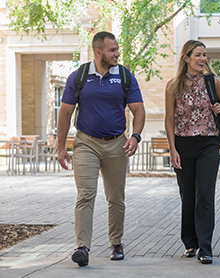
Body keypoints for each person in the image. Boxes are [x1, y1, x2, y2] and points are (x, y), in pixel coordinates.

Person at [57, 31, 145, 267]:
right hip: (86, 142)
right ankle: (82, 247)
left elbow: (138, 109)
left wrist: (135, 136)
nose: (117, 54)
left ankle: (116, 243)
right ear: (98, 52)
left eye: (117, 49)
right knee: (85, 195)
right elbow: (65, 113)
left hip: (117, 143)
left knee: (116, 198)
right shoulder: (79, 76)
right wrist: (60, 147)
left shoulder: (125, 76)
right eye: (112, 50)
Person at [164, 40, 220, 265]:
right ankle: (190, 242)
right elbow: (169, 118)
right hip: (183, 145)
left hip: (209, 144)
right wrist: (172, 149)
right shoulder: (173, 85)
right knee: (188, 195)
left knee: (204, 194)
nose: (202, 59)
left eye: (204, 55)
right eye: (198, 55)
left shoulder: (213, 81)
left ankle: (205, 247)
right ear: (186, 58)